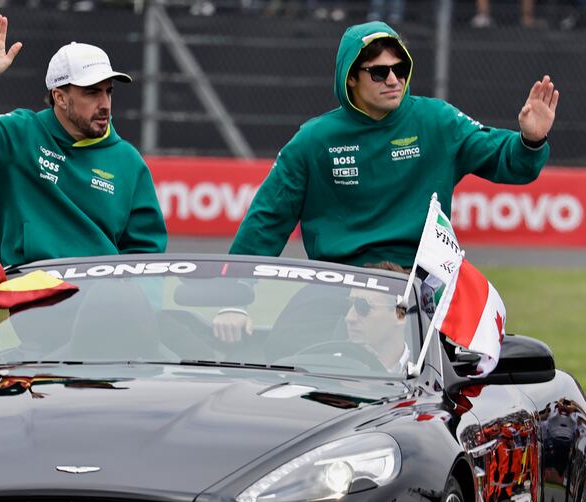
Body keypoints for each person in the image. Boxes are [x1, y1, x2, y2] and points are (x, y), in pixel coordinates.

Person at [219, 20, 558, 340]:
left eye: (401, 68)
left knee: (466, 376)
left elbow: (509, 161)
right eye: (379, 73)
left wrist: (529, 141)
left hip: (419, 286)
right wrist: (233, 301)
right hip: (338, 287)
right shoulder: (313, 140)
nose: (394, 80)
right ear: (351, 77)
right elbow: (267, 219)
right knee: (285, 359)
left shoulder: (436, 120)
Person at [0, 15, 167, 266]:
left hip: (100, 299)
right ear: (60, 97)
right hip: (33, 296)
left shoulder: (128, 161)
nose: (104, 104)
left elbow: (146, 255)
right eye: (91, 92)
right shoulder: (19, 135)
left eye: (108, 91)